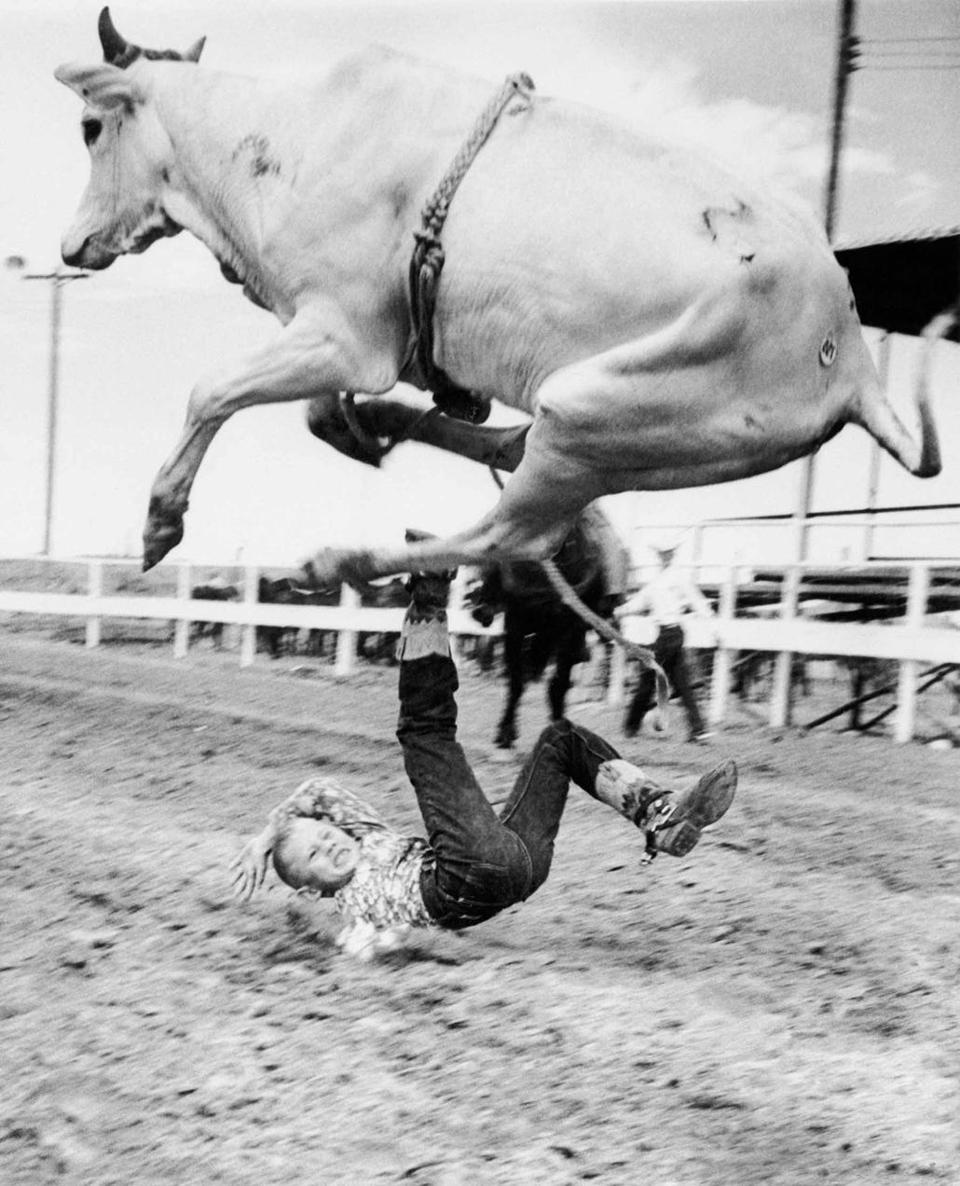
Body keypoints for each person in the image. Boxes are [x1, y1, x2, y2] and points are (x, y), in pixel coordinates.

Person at [231, 557, 737, 959]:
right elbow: (364, 945)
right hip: (460, 876)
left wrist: (268, 834)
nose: (329, 846)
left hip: (518, 867)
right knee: (424, 731)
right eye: (317, 858)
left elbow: (319, 791)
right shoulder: (354, 907)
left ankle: (657, 814)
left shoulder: (365, 835)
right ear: (313, 893)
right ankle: (429, 593)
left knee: (561, 739)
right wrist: (362, 946)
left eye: (325, 836)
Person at [616, 541, 716, 743]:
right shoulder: (658, 581)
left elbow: (696, 600)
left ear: (672, 556)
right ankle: (698, 730)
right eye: (662, 554)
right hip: (667, 635)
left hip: (670, 634)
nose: (664, 557)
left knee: (648, 679)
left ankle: (631, 726)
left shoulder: (676, 578)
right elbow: (640, 601)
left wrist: (711, 621)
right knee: (682, 684)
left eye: (667, 554)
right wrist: (620, 611)